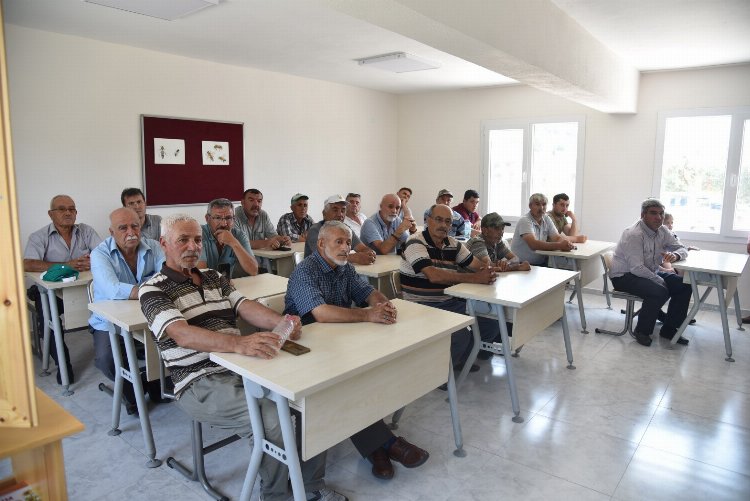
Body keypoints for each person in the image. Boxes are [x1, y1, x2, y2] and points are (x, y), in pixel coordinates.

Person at [139, 214, 346, 501]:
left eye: (197, 239)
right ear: (163, 244)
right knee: (273, 420)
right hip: (198, 381)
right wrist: (239, 344)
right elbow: (182, 334)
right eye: (182, 240)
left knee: (310, 402)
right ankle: (274, 495)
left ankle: (310, 485)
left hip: (243, 367)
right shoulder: (153, 288)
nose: (192, 246)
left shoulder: (213, 277)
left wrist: (281, 322)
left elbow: (245, 306)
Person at [285, 220, 429, 481]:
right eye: (338, 242)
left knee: (362, 380)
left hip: (334, 344)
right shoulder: (305, 271)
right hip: (302, 350)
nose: (345, 248)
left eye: (348, 242)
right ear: (321, 244)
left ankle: (377, 449)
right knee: (345, 389)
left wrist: (382, 304)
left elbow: (367, 292)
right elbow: (321, 313)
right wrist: (368, 315)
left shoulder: (345, 268)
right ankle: (387, 444)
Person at [401, 204, 497, 369]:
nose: (443, 225)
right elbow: (434, 276)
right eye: (438, 220)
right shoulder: (415, 242)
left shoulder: (453, 243)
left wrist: (503, 267)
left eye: (448, 222)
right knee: (460, 335)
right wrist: (475, 278)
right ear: (427, 220)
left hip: (448, 301)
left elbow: (479, 266)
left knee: (489, 323)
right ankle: (439, 374)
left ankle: (459, 360)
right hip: (420, 305)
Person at [89, 208, 165, 413]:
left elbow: (167, 277)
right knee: (106, 360)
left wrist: (145, 289)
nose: (131, 232)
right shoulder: (100, 254)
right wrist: (150, 288)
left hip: (148, 314)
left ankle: (155, 382)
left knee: (172, 341)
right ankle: (134, 389)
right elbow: (112, 289)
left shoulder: (154, 246)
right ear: (111, 232)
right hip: (110, 321)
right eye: (123, 228)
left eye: (135, 226)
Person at [24, 194, 102, 384]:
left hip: (85, 290)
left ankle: (114, 356)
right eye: (62, 209)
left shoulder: (86, 231)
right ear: (50, 214)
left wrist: (93, 261)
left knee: (111, 308)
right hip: (52, 294)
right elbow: (28, 263)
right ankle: (63, 365)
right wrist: (66, 265)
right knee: (48, 319)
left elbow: (103, 254)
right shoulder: (39, 236)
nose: (68, 213)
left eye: (71, 209)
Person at [609, 198, 692, 347]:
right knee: (659, 291)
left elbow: (682, 248)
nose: (659, 217)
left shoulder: (663, 230)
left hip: (647, 271)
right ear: (643, 215)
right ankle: (642, 331)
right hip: (624, 276)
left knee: (684, 285)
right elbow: (636, 268)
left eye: (661, 213)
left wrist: (676, 255)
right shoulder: (634, 234)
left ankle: (669, 329)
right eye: (653, 213)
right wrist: (660, 280)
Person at [303, 195, 376, 265]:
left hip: (340, 270)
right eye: (335, 210)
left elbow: (362, 248)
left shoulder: (346, 230)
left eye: (343, 210)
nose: (340, 214)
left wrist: (369, 253)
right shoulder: (315, 230)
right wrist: (355, 258)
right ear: (324, 213)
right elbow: (323, 256)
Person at [197, 198, 258, 277]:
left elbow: (253, 270)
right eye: (218, 218)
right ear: (207, 219)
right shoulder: (198, 234)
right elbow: (201, 274)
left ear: (234, 219)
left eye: (228, 218)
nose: (224, 224)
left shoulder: (239, 235)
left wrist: (233, 242)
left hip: (226, 283)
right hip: (205, 284)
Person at [234, 189, 291, 272]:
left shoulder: (263, 215)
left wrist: (282, 239)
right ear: (243, 202)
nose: (256, 204)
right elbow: (238, 243)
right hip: (240, 262)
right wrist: (267, 242)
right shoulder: (234, 216)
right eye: (251, 200)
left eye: (259, 201)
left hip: (261, 261)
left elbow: (273, 236)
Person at [511, 193, 574, 266]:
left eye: (544, 204)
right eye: (537, 204)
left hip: (540, 263)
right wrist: (560, 245)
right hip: (521, 265)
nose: (541, 208)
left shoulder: (546, 218)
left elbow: (556, 238)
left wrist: (567, 244)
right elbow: (534, 244)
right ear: (530, 206)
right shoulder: (525, 220)